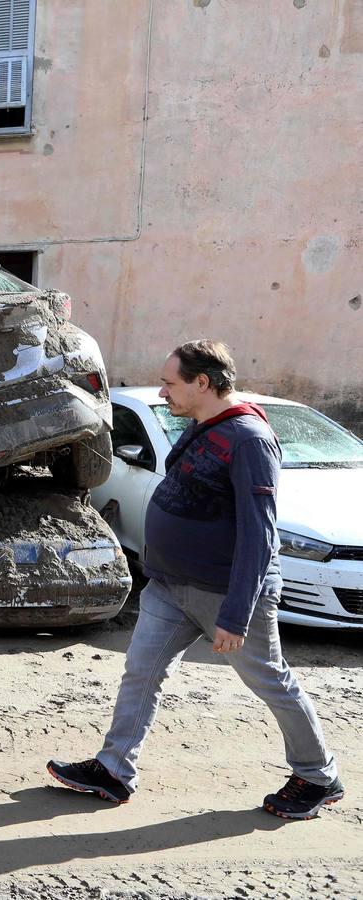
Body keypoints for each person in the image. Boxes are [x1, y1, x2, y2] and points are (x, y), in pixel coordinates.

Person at [48, 340, 343, 820]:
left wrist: (235, 615)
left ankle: (317, 775)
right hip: (169, 586)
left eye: (170, 383)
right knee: (141, 671)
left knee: (271, 681)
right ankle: (114, 770)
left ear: (202, 383)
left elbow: (259, 534)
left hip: (225, 594)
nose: (163, 392)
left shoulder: (248, 439)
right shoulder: (201, 425)